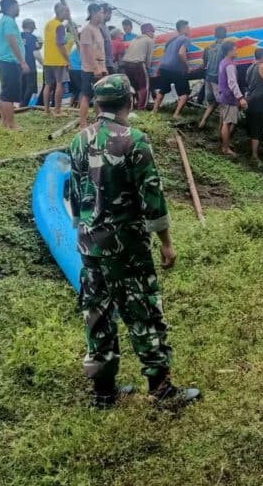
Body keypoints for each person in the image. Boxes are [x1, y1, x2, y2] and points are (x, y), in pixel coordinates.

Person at [69, 74, 201, 409]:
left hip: (89, 245)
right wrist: (167, 243)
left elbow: (75, 192)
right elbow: (152, 199)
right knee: (143, 313)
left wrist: (82, 229)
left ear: (98, 103)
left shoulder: (78, 140)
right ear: (130, 99)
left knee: (97, 313)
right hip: (126, 247)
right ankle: (160, 389)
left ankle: (104, 392)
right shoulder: (134, 140)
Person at [0, 0, 28, 130]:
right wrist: (22, 61)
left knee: (5, 93)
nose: (19, 8)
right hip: (10, 62)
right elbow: (12, 40)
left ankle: (5, 122)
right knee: (9, 95)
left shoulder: (3, 21)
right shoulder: (8, 21)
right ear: (11, 7)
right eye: (17, 6)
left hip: (5, 61)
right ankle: (11, 124)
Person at [78, 4, 108, 130]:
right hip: (90, 69)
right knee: (87, 95)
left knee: (99, 95)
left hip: (100, 67)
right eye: (100, 12)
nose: (102, 15)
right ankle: (83, 123)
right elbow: (88, 51)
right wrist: (95, 68)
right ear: (93, 12)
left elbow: (100, 50)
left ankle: (99, 120)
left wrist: (103, 67)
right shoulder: (87, 30)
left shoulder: (98, 29)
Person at [154, 19, 191, 119]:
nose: (189, 29)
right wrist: (187, 67)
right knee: (185, 92)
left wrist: (158, 69)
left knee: (162, 89)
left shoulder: (170, 40)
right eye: (188, 27)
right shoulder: (185, 39)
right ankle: (176, 114)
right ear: (183, 29)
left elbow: (164, 56)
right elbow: (181, 53)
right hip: (176, 68)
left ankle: (154, 111)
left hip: (164, 68)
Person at [217, 41, 246, 156]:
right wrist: (240, 98)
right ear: (229, 51)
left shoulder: (223, 62)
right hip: (229, 97)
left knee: (224, 121)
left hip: (223, 95)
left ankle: (225, 142)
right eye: (235, 49)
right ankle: (225, 148)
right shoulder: (229, 65)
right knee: (227, 122)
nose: (236, 51)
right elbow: (232, 83)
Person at [42, 3, 72, 118]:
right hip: (58, 60)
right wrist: (68, 60)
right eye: (66, 12)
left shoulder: (48, 24)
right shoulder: (60, 26)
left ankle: (46, 110)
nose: (68, 14)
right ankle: (57, 110)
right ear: (60, 12)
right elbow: (60, 44)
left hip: (48, 59)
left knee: (48, 85)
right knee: (60, 84)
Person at [198, 25, 228, 129]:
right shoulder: (226, 48)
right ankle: (220, 129)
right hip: (218, 80)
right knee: (223, 105)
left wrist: (193, 70)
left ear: (215, 35)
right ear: (225, 34)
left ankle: (203, 121)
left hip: (208, 78)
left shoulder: (208, 48)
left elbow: (204, 65)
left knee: (212, 103)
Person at [120, 23, 156, 110]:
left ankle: (130, 107)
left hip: (126, 64)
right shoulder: (149, 40)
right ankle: (142, 107)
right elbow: (149, 57)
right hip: (138, 64)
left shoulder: (134, 39)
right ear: (148, 32)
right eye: (152, 32)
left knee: (132, 86)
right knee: (144, 87)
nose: (153, 34)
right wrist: (147, 68)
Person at [20, 18, 42, 107]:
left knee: (22, 86)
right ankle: (24, 105)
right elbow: (35, 52)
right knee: (30, 86)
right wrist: (43, 63)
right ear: (32, 27)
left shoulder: (18, 36)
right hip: (30, 66)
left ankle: (21, 104)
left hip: (19, 66)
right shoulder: (33, 38)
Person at [100, 4, 116, 74]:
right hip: (103, 64)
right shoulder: (99, 27)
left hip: (109, 62)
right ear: (102, 13)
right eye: (108, 13)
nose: (110, 15)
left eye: (110, 13)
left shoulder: (105, 27)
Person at [69, 37, 83, 107]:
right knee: (82, 89)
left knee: (74, 90)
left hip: (71, 70)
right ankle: (78, 107)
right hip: (78, 70)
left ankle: (70, 106)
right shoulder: (81, 47)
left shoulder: (73, 49)